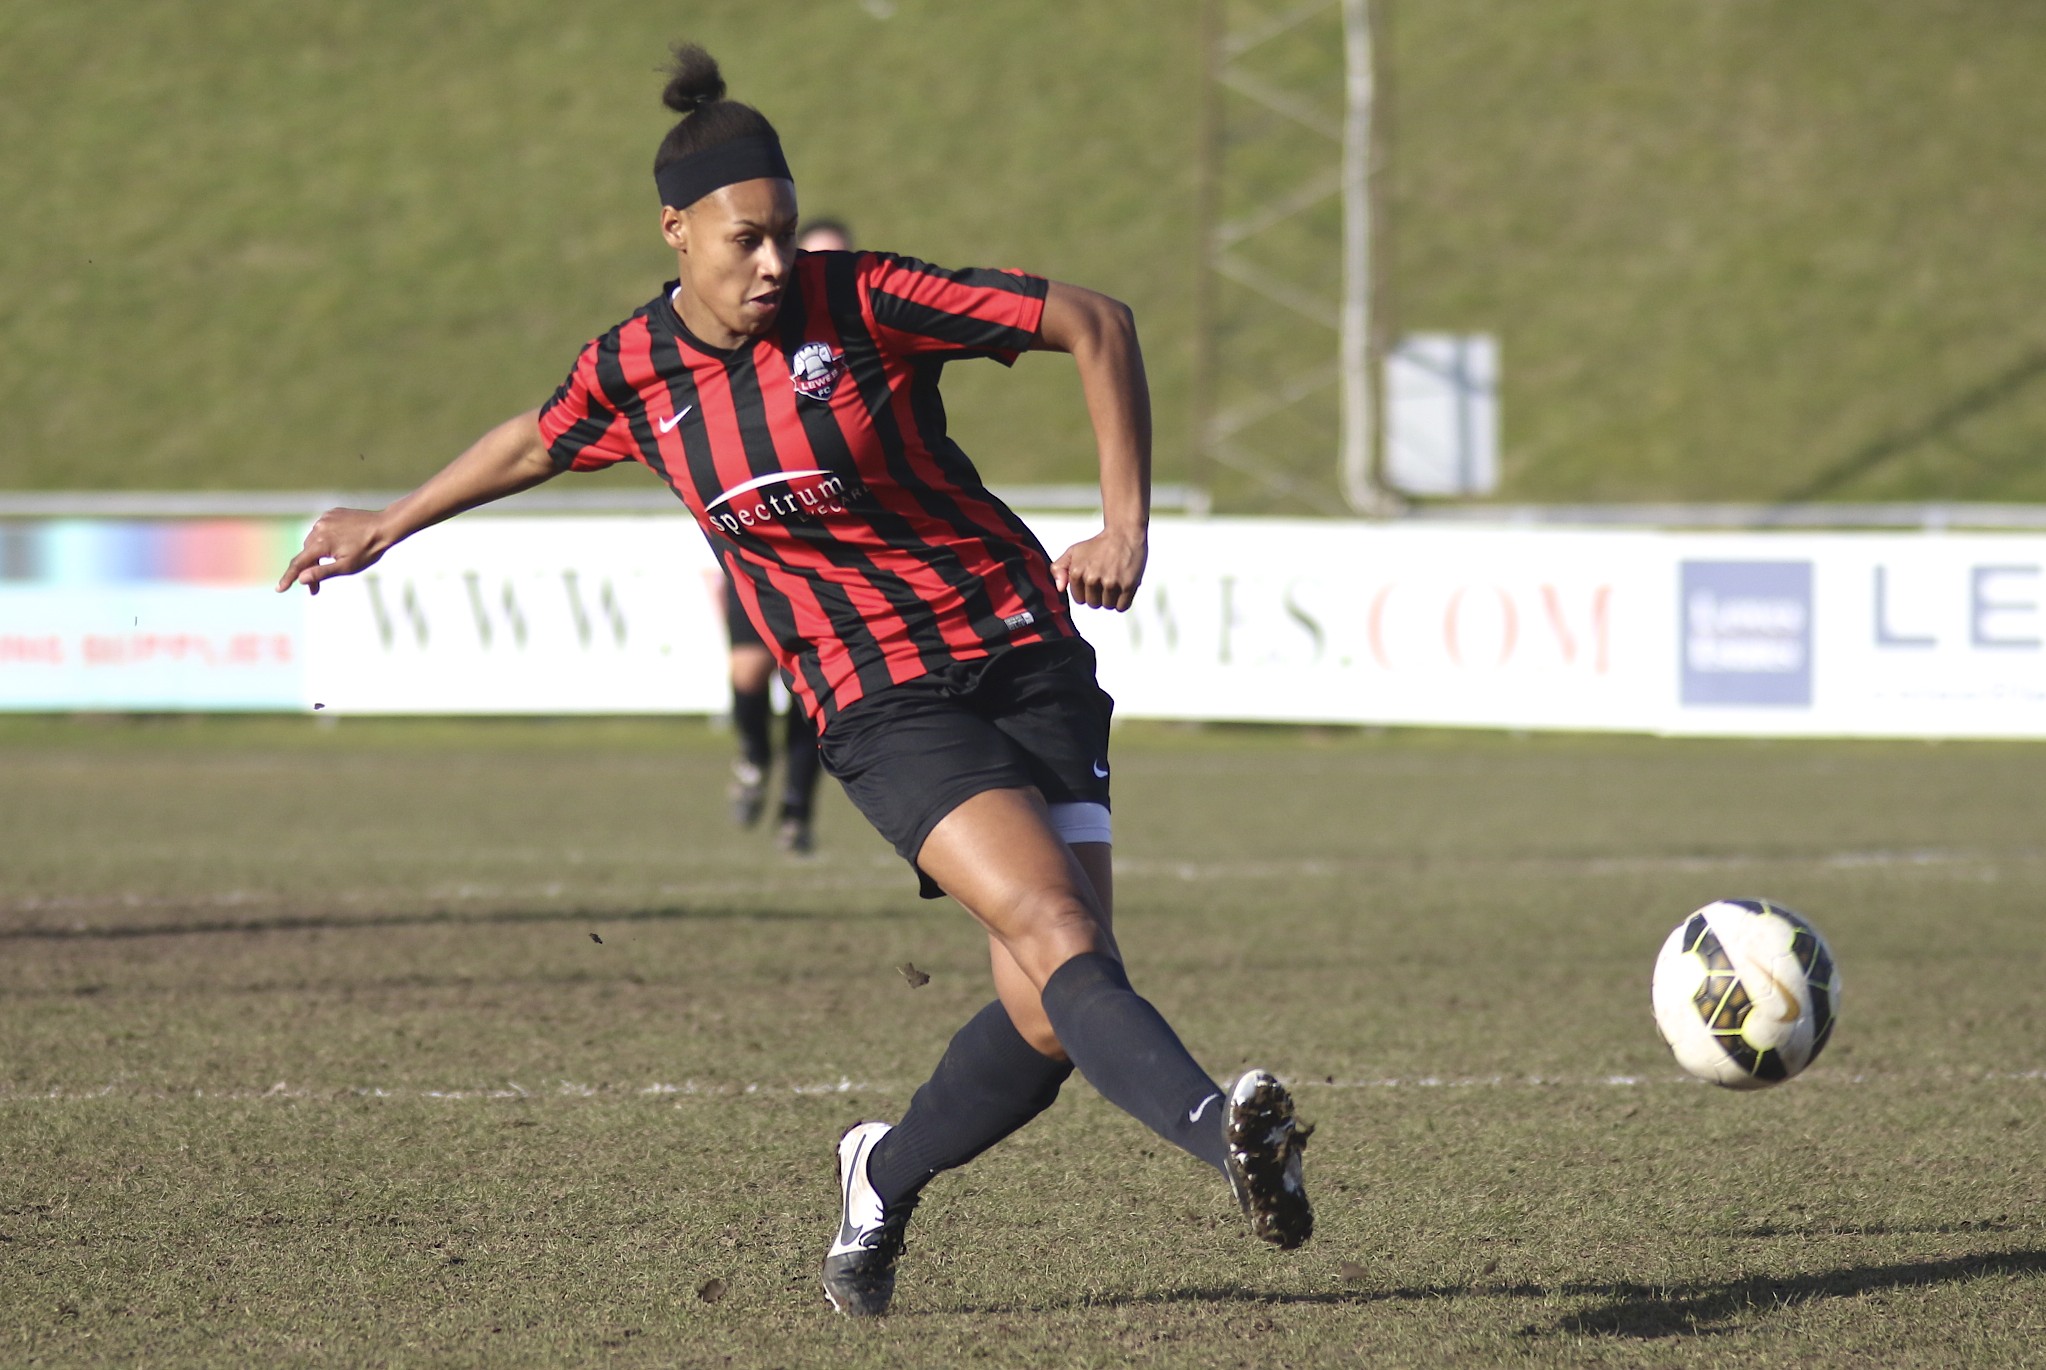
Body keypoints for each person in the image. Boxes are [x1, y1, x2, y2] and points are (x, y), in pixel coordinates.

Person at [276, 43, 1312, 1317]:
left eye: (781, 235)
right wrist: (388, 519)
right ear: (676, 232)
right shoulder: (633, 371)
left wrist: (1124, 521)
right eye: (745, 242)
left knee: (1048, 1018)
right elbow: (535, 438)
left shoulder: (864, 296)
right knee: (1059, 934)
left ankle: (882, 1167)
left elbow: (1096, 322)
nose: (775, 264)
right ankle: (1227, 1132)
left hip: (1024, 651)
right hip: (879, 697)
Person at [720, 216, 856, 855]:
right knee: (748, 673)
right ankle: (752, 754)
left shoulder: (864, 344)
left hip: (833, 558)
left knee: (813, 691)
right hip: (759, 549)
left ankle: (797, 811)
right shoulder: (755, 337)